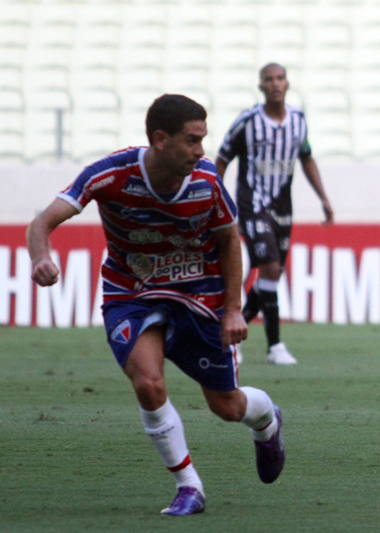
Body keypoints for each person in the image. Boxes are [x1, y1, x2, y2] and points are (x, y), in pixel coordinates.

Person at [26, 94, 285, 516]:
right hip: (133, 293)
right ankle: (189, 486)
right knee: (148, 384)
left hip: (199, 294)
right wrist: (41, 257)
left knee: (226, 406)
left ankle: (266, 419)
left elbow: (228, 241)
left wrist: (234, 309)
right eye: (192, 140)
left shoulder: (206, 181)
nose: (201, 150)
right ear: (161, 139)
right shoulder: (110, 174)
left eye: (203, 139)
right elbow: (42, 223)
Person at [216, 63, 333, 366]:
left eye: (280, 78)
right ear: (261, 87)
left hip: (282, 208)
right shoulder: (248, 121)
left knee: (273, 273)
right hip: (252, 205)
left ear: (287, 83)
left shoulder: (298, 121)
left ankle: (231, 333)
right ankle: (275, 345)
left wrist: (323, 198)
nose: (275, 84)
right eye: (269, 79)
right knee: (269, 267)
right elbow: (222, 158)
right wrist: (214, 198)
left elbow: (306, 158)